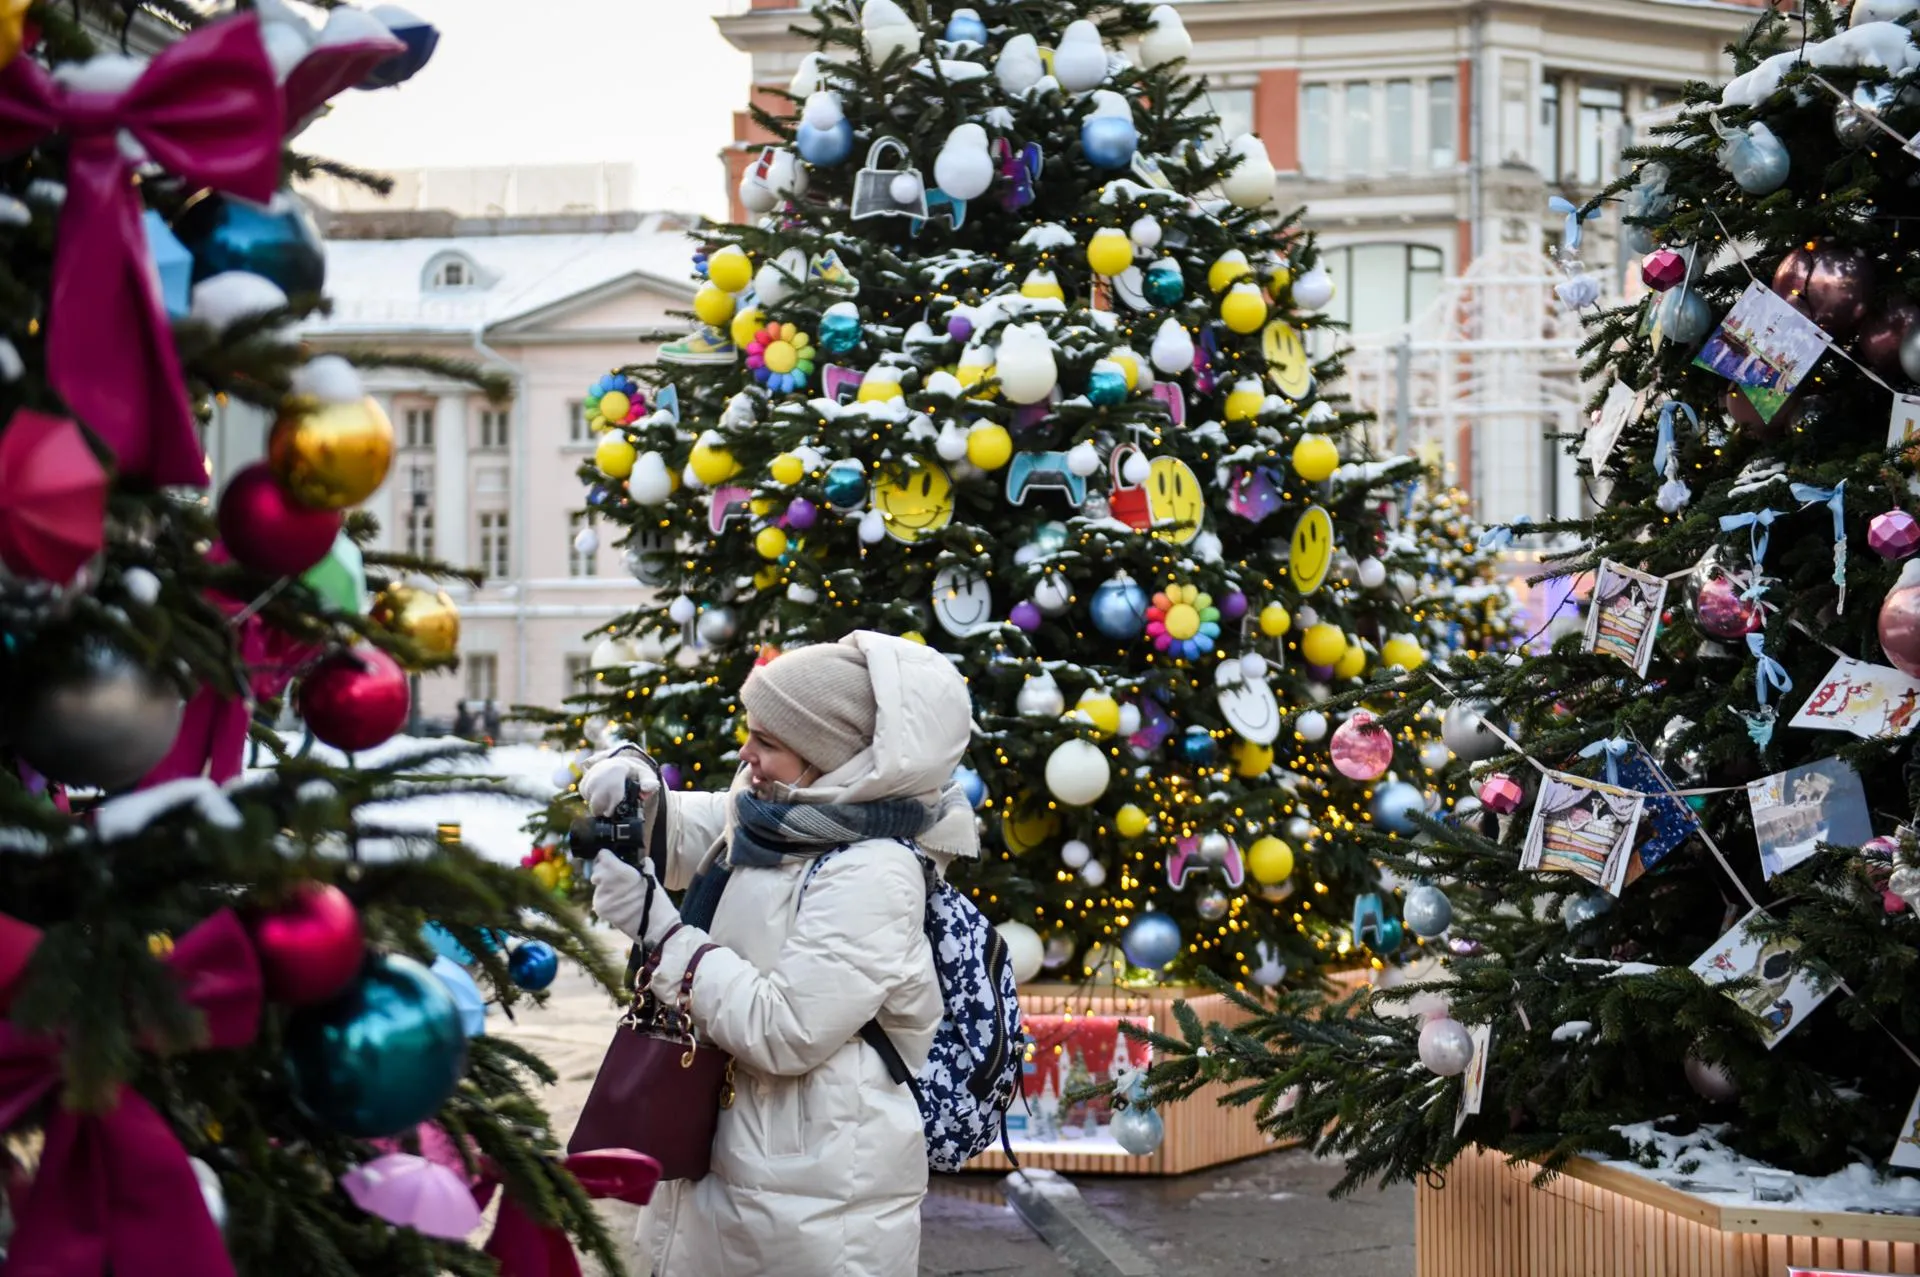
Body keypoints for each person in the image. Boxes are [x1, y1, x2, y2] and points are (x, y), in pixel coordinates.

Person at [579, 631, 977, 1277]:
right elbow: (681, 829)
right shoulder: (777, 819)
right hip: (747, 1167)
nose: (747, 753)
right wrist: (634, 786)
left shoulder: (875, 869)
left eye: (768, 741)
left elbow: (785, 1027)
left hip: (814, 1196)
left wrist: (661, 932)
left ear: (827, 755)